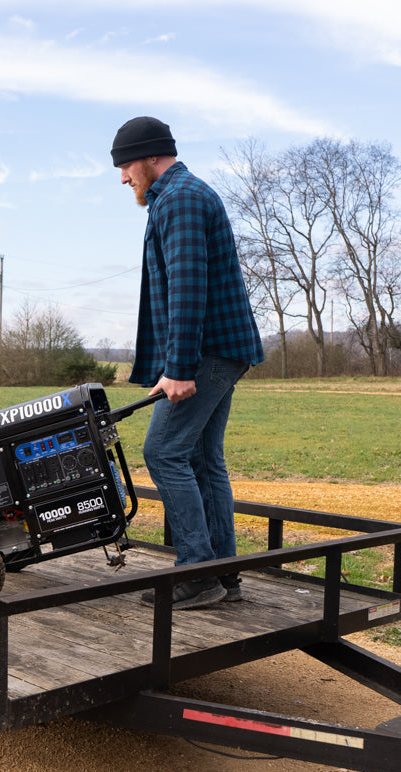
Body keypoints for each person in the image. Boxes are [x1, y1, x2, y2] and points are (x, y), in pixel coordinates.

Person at [111, 116, 264, 610]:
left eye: (126, 165)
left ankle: (197, 572)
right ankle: (224, 574)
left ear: (153, 156)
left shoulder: (179, 200)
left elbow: (187, 290)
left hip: (205, 355)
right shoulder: (181, 196)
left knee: (163, 453)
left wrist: (177, 368)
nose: (123, 178)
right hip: (220, 351)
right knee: (202, 459)